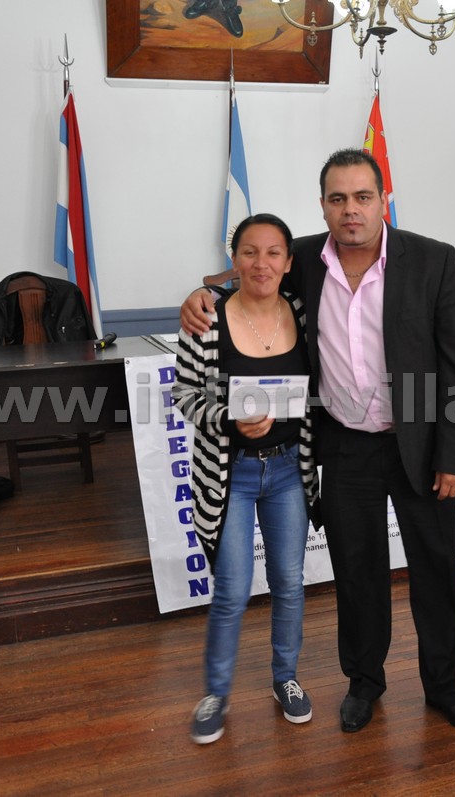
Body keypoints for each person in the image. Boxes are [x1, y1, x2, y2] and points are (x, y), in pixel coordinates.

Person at [181, 149, 455, 737]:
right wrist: (199, 295)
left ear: (383, 200)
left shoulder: (434, 260)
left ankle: (447, 689)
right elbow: (248, 273)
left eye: (363, 197)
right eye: (338, 198)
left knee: (435, 574)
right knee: (357, 574)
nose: (352, 210)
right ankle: (364, 683)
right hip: (346, 448)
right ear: (322, 205)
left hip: (422, 448)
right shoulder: (302, 258)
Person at [173, 213, 322, 745]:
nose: (262, 263)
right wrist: (228, 419)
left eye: (273, 252)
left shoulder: (302, 311)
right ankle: (216, 693)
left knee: (289, 583)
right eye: (250, 252)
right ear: (234, 260)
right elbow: (184, 395)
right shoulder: (206, 319)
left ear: (288, 261)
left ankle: (286, 678)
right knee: (232, 591)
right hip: (228, 474)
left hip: (288, 469)